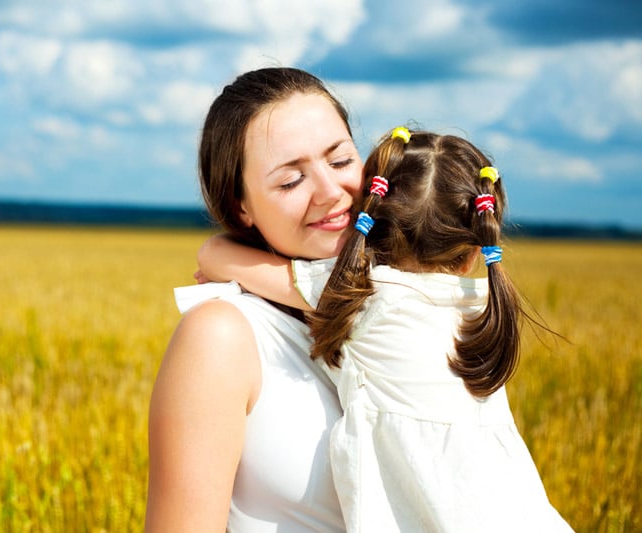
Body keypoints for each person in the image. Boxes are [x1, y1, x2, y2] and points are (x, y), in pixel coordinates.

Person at [196, 127, 574, 532]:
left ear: (369, 222)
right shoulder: (482, 304)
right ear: (472, 253)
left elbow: (215, 255)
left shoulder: (365, 296)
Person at [145, 67, 364, 532]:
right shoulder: (222, 336)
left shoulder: (420, 297)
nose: (330, 193)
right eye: (290, 182)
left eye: (341, 160)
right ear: (239, 203)